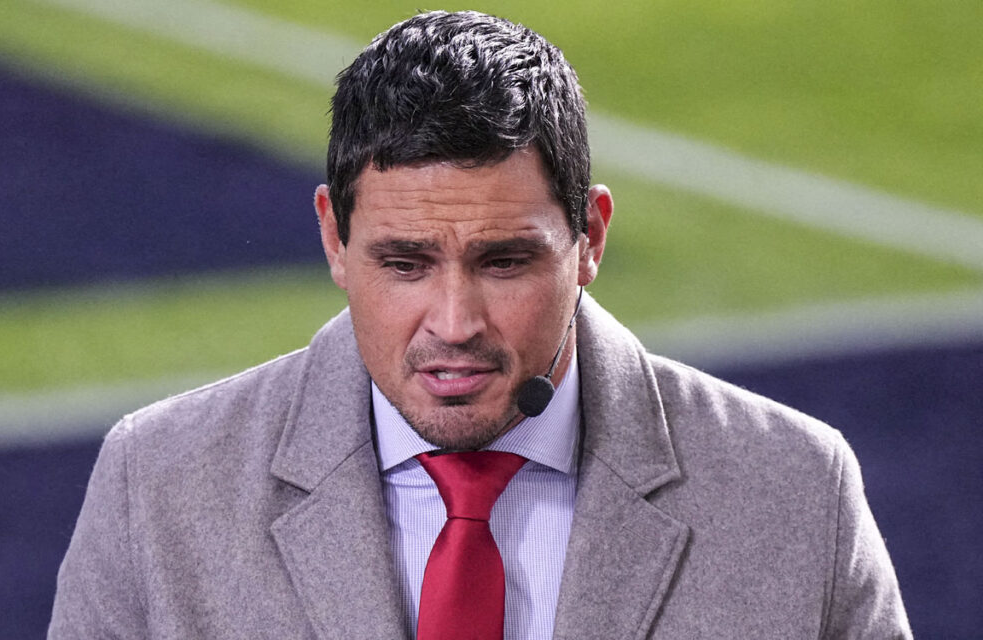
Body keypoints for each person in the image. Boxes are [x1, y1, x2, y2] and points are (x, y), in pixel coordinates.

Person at [49, 10, 911, 639]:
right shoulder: (156, 486)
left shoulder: (797, 492)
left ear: (590, 237)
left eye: (504, 262)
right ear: (333, 238)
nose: (455, 324)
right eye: (405, 264)